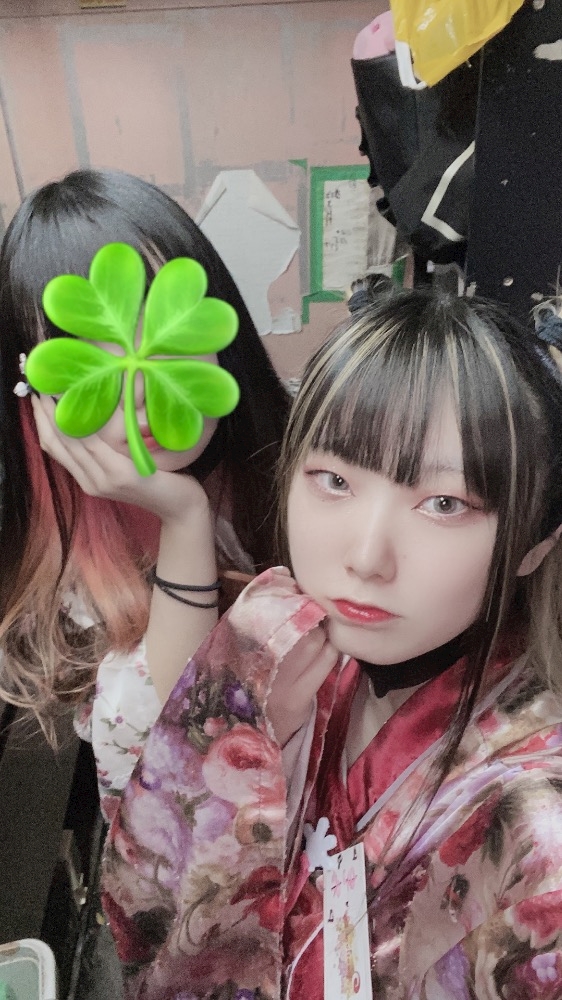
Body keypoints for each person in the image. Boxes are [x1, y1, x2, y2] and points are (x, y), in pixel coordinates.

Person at [102, 286, 562, 999]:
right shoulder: (292, 645)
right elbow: (147, 916)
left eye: (445, 503)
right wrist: (261, 744)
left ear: (535, 542)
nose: (366, 557)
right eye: (334, 480)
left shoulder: (540, 834)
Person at [0, 168, 290, 819]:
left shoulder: (300, 463)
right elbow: (179, 749)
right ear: (34, 393)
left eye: (161, 330)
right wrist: (182, 518)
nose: (137, 386)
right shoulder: (69, 578)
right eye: (83, 360)